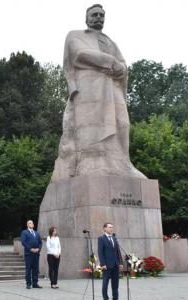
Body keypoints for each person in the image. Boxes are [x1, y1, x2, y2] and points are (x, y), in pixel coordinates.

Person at [51, 4, 146, 181]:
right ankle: (93, 163)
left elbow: (123, 65)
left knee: (122, 123)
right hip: (89, 87)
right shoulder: (75, 35)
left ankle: (123, 163)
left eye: (102, 15)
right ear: (86, 19)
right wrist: (110, 61)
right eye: (94, 15)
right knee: (93, 124)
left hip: (112, 86)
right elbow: (79, 55)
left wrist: (121, 69)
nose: (98, 18)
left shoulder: (111, 42)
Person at [98, 222, 124, 300]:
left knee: (115, 283)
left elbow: (118, 252)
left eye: (112, 227)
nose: (111, 229)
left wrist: (120, 262)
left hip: (116, 264)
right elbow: (100, 252)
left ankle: (115, 299)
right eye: (109, 227)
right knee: (105, 282)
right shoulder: (101, 239)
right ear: (105, 228)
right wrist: (103, 264)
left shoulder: (114, 238)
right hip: (107, 265)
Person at [21, 220, 43, 289]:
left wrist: (38, 249)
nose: (32, 224)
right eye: (30, 223)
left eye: (32, 223)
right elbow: (23, 242)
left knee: (35, 269)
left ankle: (35, 283)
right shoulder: (24, 232)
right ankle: (28, 283)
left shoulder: (37, 233)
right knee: (28, 269)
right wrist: (30, 249)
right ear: (27, 225)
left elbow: (40, 242)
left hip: (36, 253)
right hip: (29, 254)